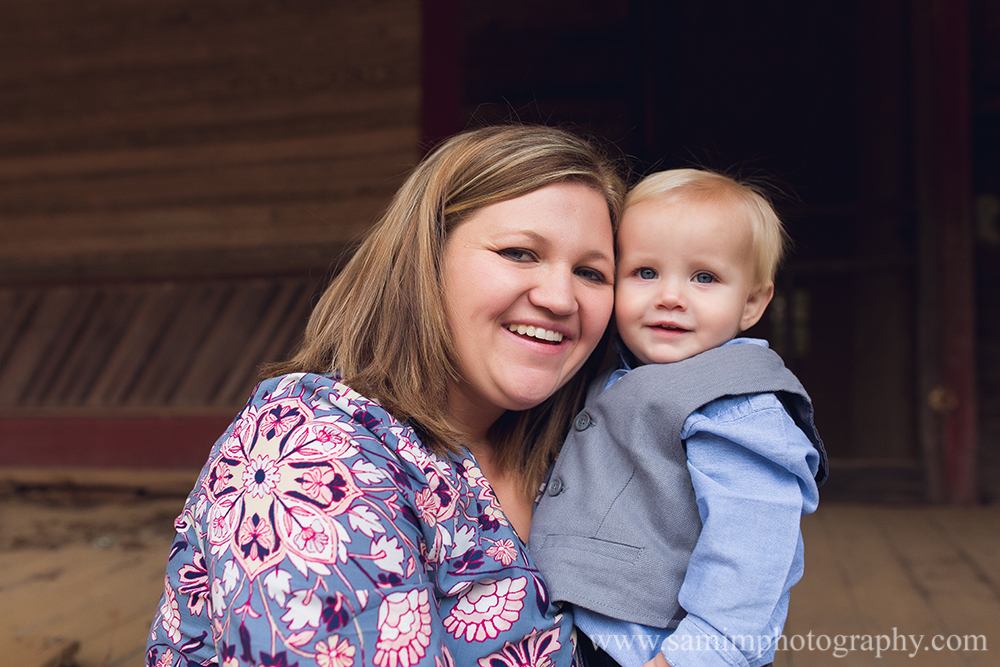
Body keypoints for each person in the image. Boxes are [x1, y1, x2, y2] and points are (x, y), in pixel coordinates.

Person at [145, 125, 626, 667]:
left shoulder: (577, 449)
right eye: (519, 253)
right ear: (426, 260)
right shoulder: (310, 453)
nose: (561, 298)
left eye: (591, 272)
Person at [530, 168, 829, 667]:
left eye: (704, 277)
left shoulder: (737, 406)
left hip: (653, 650)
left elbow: (751, 557)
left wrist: (695, 655)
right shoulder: (611, 378)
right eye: (645, 273)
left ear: (753, 302)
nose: (670, 295)